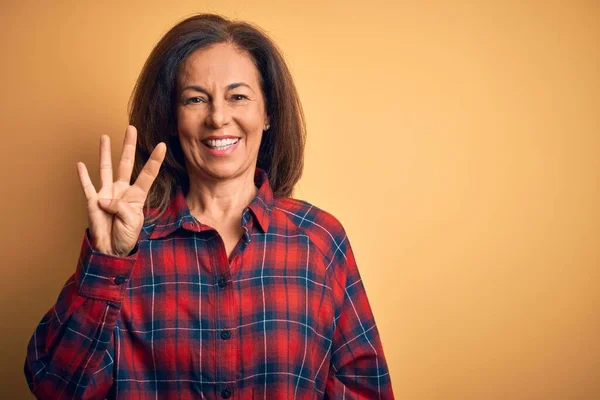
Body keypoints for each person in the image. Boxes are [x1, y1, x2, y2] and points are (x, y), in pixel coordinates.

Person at [24, 13, 394, 399]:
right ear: (172, 119)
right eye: (196, 99)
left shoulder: (319, 241)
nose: (218, 118)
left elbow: (366, 390)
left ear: (267, 113)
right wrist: (107, 261)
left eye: (238, 96)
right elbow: (54, 387)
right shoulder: (129, 248)